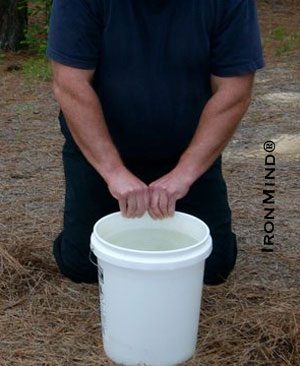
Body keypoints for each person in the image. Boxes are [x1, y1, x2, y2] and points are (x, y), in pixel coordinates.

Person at [46, 0, 265, 285]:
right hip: (100, 153)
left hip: (188, 152)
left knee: (214, 266)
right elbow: (70, 85)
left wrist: (185, 173)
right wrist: (113, 172)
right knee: (82, 266)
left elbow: (234, 91)